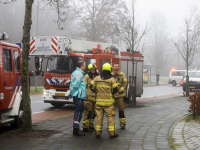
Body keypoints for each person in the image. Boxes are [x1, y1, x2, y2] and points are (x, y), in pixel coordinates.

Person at [90, 63, 119, 138]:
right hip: (109, 103)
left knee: (99, 118)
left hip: (99, 102)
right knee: (110, 117)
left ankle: (97, 133)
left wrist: (97, 92)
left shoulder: (97, 78)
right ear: (109, 70)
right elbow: (115, 90)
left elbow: (91, 86)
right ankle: (112, 133)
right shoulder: (111, 79)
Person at [69, 61, 86, 136]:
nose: (85, 67)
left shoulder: (75, 72)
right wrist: (72, 93)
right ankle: (76, 129)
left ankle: (76, 128)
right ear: (81, 66)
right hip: (79, 95)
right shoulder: (79, 73)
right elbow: (76, 84)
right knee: (79, 112)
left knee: (77, 111)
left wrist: (71, 93)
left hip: (78, 95)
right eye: (84, 65)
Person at [83, 64, 99, 132]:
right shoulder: (86, 76)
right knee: (87, 112)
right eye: (92, 69)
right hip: (88, 97)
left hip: (95, 98)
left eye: (94, 69)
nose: (93, 70)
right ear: (89, 69)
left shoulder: (96, 76)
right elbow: (84, 87)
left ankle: (91, 125)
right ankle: (85, 127)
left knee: (93, 113)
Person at [112, 62, 128, 129]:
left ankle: (122, 124)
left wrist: (121, 89)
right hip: (113, 96)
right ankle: (111, 124)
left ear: (118, 67)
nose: (115, 67)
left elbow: (125, 83)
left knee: (121, 110)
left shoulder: (122, 75)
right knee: (111, 111)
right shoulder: (111, 75)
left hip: (120, 96)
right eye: (114, 66)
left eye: (116, 66)